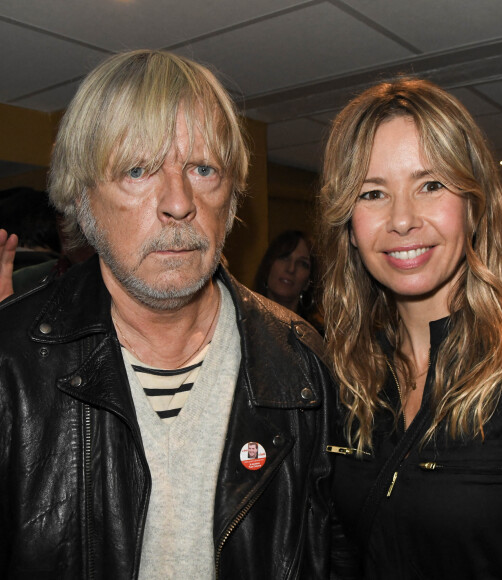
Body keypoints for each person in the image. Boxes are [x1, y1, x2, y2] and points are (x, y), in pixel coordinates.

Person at [0, 50, 335, 579]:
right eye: (137, 170)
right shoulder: (11, 363)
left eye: (203, 169)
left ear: (231, 196)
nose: (179, 202)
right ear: (82, 197)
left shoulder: (302, 364)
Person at [319, 78, 502, 578]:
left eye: (431, 184)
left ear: (474, 204)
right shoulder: (343, 379)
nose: (402, 219)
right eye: (373, 193)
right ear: (349, 227)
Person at [254, 230, 323, 332]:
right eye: (284, 257)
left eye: (302, 263)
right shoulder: (242, 320)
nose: (291, 269)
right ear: (268, 265)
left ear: (309, 281)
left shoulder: (318, 338)